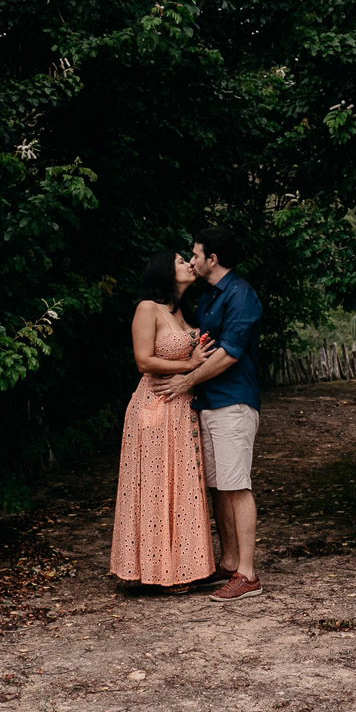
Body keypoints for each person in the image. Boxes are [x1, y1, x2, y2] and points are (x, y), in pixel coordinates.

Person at [153, 227, 264, 602]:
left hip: (234, 402)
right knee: (218, 487)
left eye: (196, 254)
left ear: (212, 259)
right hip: (209, 402)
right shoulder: (209, 297)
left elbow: (230, 353)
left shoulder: (241, 294)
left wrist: (186, 381)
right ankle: (230, 562)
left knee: (237, 486)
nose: (192, 260)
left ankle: (248, 575)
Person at [110, 249, 217, 593]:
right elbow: (143, 361)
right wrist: (190, 365)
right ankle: (156, 571)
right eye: (181, 261)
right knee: (156, 486)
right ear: (164, 271)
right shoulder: (148, 308)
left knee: (181, 485)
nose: (189, 264)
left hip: (182, 408)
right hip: (154, 408)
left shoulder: (184, 312)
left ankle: (184, 568)